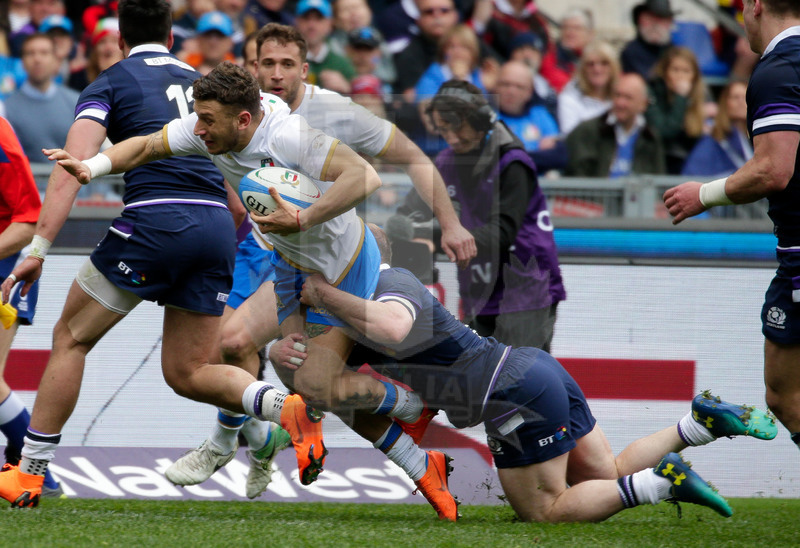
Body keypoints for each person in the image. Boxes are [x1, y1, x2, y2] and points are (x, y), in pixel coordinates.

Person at [37, 61, 453, 503]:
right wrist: (93, 166)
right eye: (197, 117)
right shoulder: (210, 126)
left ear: (244, 119)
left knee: (313, 384)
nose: (198, 129)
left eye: (207, 120)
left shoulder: (288, 136)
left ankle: (412, 416)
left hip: (342, 265)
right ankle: (233, 439)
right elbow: (142, 147)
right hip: (290, 264)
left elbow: (363, 176)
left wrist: (303, 217)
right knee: (232, 344)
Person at [0, 1, 312, 509]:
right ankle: (286, 407)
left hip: (153, 221)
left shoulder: (110, 82)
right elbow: (238, 190)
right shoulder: (209, 84)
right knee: (186, 372)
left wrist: (38, 249)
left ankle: (29, 476)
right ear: (171, 37)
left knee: (70, 338)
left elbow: (71, 168)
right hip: (215, 227)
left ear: (121, 39)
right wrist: (205, 241)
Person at [276, 223, 778, 522]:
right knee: (605, 475)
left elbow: (389, 327)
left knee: (544, 511)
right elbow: (327, 383)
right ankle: (701, 423)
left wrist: (322, 294)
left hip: (507, 391)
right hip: (529, 370)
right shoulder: (363, 302)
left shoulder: (389, 284)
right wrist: (289, 348)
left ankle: (663, 484)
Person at [165, 23, 476, 496]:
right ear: (252, 69)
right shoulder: (232, 116)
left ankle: (230, 440)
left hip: (332, 257)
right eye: (266, 63)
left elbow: (412, 156)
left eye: (287, 64)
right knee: (231, 348)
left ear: (304, 71)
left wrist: (450, 224)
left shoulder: (334, 112)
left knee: (304, 372)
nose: (276, 74)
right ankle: (250, 438)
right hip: (266, 251)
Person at [663, 0, 800, 452]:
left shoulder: (778, 68)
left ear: (757, 5)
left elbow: (773, 170)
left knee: (787, 393)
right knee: (784, 391)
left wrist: (702, 195)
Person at [425, 80, 565, 350]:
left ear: (479, 121)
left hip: (526, 290)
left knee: (520, 382)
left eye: (458, 128)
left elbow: (502, 233)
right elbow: (433, 220)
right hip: (478, 288)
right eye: (444, 130)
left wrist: (433, 234)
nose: (452, 138)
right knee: (480, 381)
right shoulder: (444, 162)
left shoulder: (512, 162)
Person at [0, 115, 62, 498]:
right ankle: (29, 470)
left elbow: (29, 218)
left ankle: (38, 476)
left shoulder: (1, 139)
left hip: (6, 270)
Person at [565, 73, 665, 178]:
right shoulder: (587, 131)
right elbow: (578, 178)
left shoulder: (650, 138)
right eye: (617, 95)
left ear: (643, 104)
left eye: (628, 98)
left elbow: (658, 180)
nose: (620, 103)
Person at [4, 32, 80, 161]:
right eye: (30, 53)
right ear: (22, 62)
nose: (37, 59)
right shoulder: (6, 109)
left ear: (56, 60)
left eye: (44, 53)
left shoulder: (76, 102)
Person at [646, 46, 710, 175]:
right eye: (675, 70)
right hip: (659, 164)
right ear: (665, 72)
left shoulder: (700, 98)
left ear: (694, 76)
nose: (680, 76)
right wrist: (680, 98)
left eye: (686, 71)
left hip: (690, 168)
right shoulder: (653, 94)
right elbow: (665, 131)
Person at [681, 80, 751, 178]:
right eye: (735, 97)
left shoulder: (753, 137)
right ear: (725, 102)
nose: (741, 102)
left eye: (745, 98)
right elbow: (693, 173)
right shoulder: (713, 137)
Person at [557, 40, 619, 136]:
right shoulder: (569, 99)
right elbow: (572, 139)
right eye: (591, 64)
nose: (597, 69)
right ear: (583, 69)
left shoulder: (620, 98)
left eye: (604, 63)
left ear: (614, 68)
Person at [496, 60, 560, 154]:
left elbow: (559, 154)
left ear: (529, 92)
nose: (511, 92)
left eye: (519, 87)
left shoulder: (539, 114)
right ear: (495, 86)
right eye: (506, 84)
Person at [295, 0, 356, 94]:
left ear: (330, 23)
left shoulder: (342, 63)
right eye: (306, 18)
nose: (312, 25)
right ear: (297, 22)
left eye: (319, 19)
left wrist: (346, 89)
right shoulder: (286, 59)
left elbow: (360, 102)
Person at [539, 7, 594, 93]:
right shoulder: (549, 59)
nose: (570, 32)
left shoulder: (597, 59)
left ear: (590, 34)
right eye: (565, 28)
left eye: (577, 28)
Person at [620, 0, 679, 78]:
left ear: (670, 23)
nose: (655, 25)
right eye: (650, 18)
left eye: (661, 20)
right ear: (639, 20)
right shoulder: (631, 53)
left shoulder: (675, 51)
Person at [184, 11, 236, 76]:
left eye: (220, 35)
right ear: (198, 39)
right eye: (208, 35)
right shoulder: (184, 67)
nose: (213, 42)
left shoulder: (239, 71)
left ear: (230, 42)